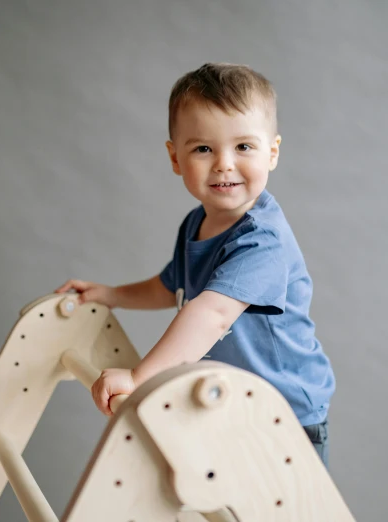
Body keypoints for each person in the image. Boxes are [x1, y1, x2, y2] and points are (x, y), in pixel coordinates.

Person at [55, 62, 335, 467]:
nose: (223, 163)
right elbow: (172, 288)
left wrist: (138, 378)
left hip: (286, 415)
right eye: (204, 148)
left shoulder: (262, 240)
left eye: (243, 147)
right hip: (231, 409)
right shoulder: (197, 223)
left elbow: (212, 314)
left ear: (272, 153)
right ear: (175, 157)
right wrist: (110, 295)